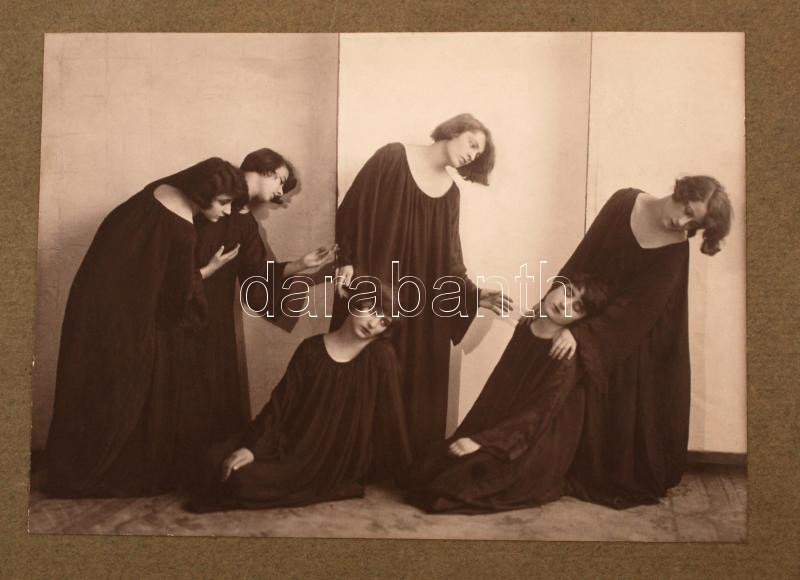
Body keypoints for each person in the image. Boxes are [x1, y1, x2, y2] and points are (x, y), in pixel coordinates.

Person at [46, 158, 249, 498]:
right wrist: (208, 271)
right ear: (203, 193)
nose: (227, 212)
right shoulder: (182, 229)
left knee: (95, 383)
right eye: (224, 202)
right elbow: (176, 299)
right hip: (127, 321)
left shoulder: (156, 193)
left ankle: (72, 464)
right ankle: (102, 470)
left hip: (94, 308)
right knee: (131, 389)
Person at [332, 113, 511, 459]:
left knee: (412, 375)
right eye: (472, 144)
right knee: (364, 366)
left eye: (477, 154)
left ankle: (398, 462)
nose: (471, 155)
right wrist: (347, 260)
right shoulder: (391, 157)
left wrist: (475, 295)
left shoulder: (451, 194)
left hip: (421, 305)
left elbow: (450, 261)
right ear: (453, 130)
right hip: (376, 290)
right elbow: (351, 210)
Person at [550, 176, 733, 508]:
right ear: (681, 192)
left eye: (693, 223)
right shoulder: (624, 201)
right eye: (686, 211)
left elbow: (637, 309)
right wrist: (555, 299)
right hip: (587, 307)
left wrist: (581, 334)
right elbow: (585, 256)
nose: (682, 223)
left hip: (631, 335)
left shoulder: (675, 250)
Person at [187, 283, 412, 512]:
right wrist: (252, 448)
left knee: (238, 480)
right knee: (210, 460)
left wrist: (407, 476)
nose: (373, 324)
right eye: (372, 311)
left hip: (331, 458)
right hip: (290, 441)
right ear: (356, 302)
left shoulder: (380, 356)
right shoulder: (311, 349)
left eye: (383, 322)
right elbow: (280, 406)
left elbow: (393, 418)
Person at [183, 148, 335, 480]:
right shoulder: (207, 197)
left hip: (215, 318)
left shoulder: (246, 223)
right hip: (179, 310)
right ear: (264, 170)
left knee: (211, 389)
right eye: (280, 181)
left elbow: (257, 276)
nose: (281, 192)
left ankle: (203, 468)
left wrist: (301, 265)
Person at [407, 275, 610, 514]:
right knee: (423, 470)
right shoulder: (527, 326)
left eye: (576, 307)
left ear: (581, 319)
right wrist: (475, 434)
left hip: (531, 442)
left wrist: (484, 442)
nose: (564, 304)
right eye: (568, 292)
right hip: (504, 428)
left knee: (448, 489)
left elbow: (538, 415)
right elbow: (497, 389)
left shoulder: (564, 355)